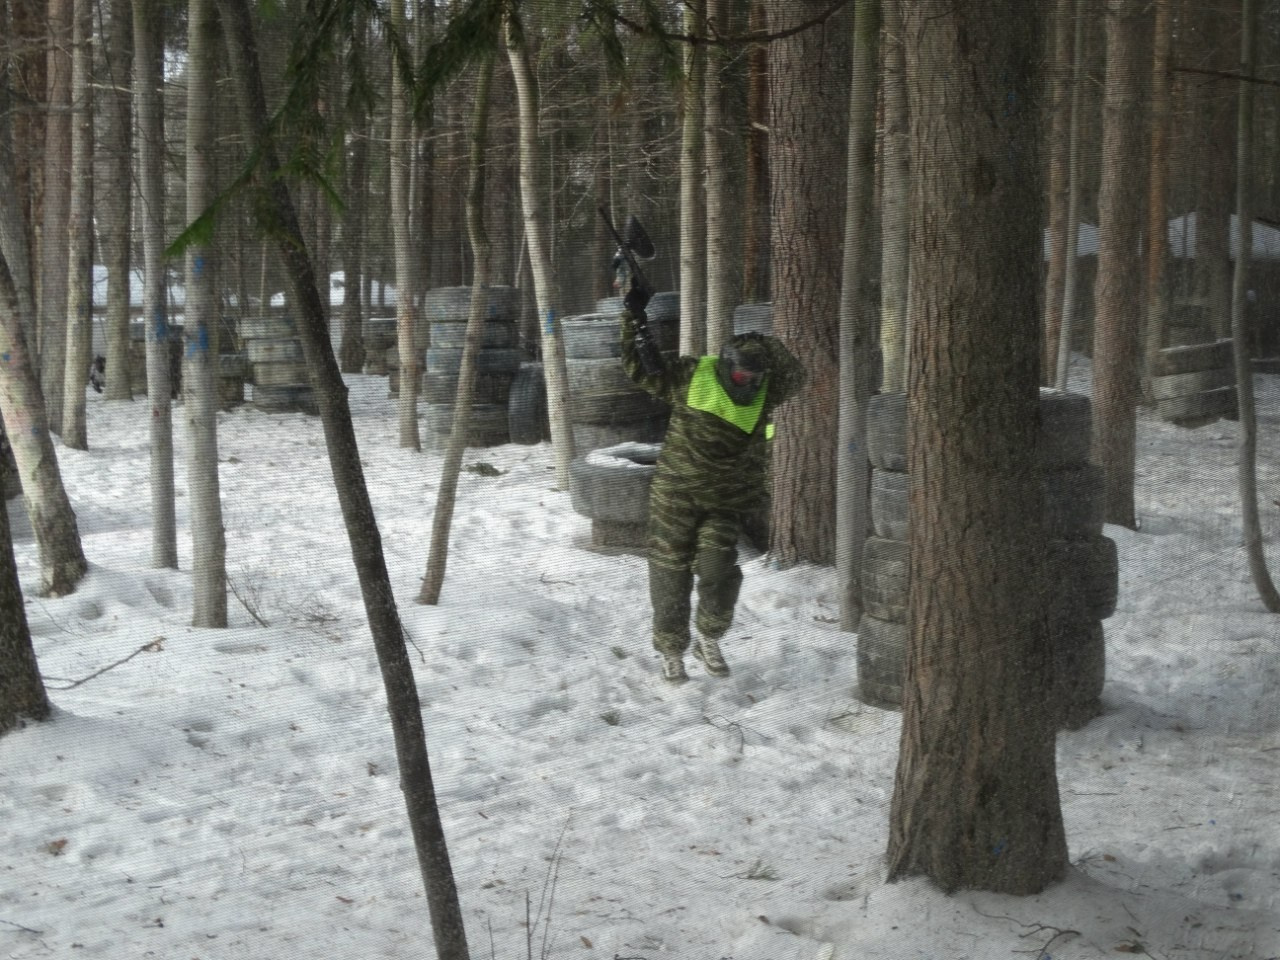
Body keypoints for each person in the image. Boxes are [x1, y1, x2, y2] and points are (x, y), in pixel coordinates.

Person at [619, 286, 806, 683]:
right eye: (741, 372)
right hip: (676, 497)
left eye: (754, 375)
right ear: (725, 366)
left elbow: (797, 374)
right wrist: (630, 315)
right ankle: (671, 650)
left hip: (727, 501)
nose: (747, 381)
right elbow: (638, 366)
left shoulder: (766, 388)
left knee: (718, 570)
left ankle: (710, 636)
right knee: (670, 574)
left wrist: (758, 346)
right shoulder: (692, 374)